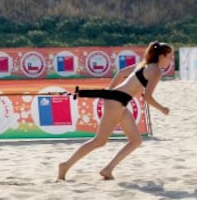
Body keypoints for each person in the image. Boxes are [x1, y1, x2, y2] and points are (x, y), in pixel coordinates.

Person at [58, 41, 173, 180]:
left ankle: (108, 169)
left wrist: (110, 92)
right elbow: (147, 97)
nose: (171, 61)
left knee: (136, 140)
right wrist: (163, 109)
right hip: (116, 102)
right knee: (99, 141)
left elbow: (120, 73)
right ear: (162, 56)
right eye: (170, 57)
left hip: (117, 100)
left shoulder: (144, 64)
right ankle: (65, 165)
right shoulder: (156, 71)